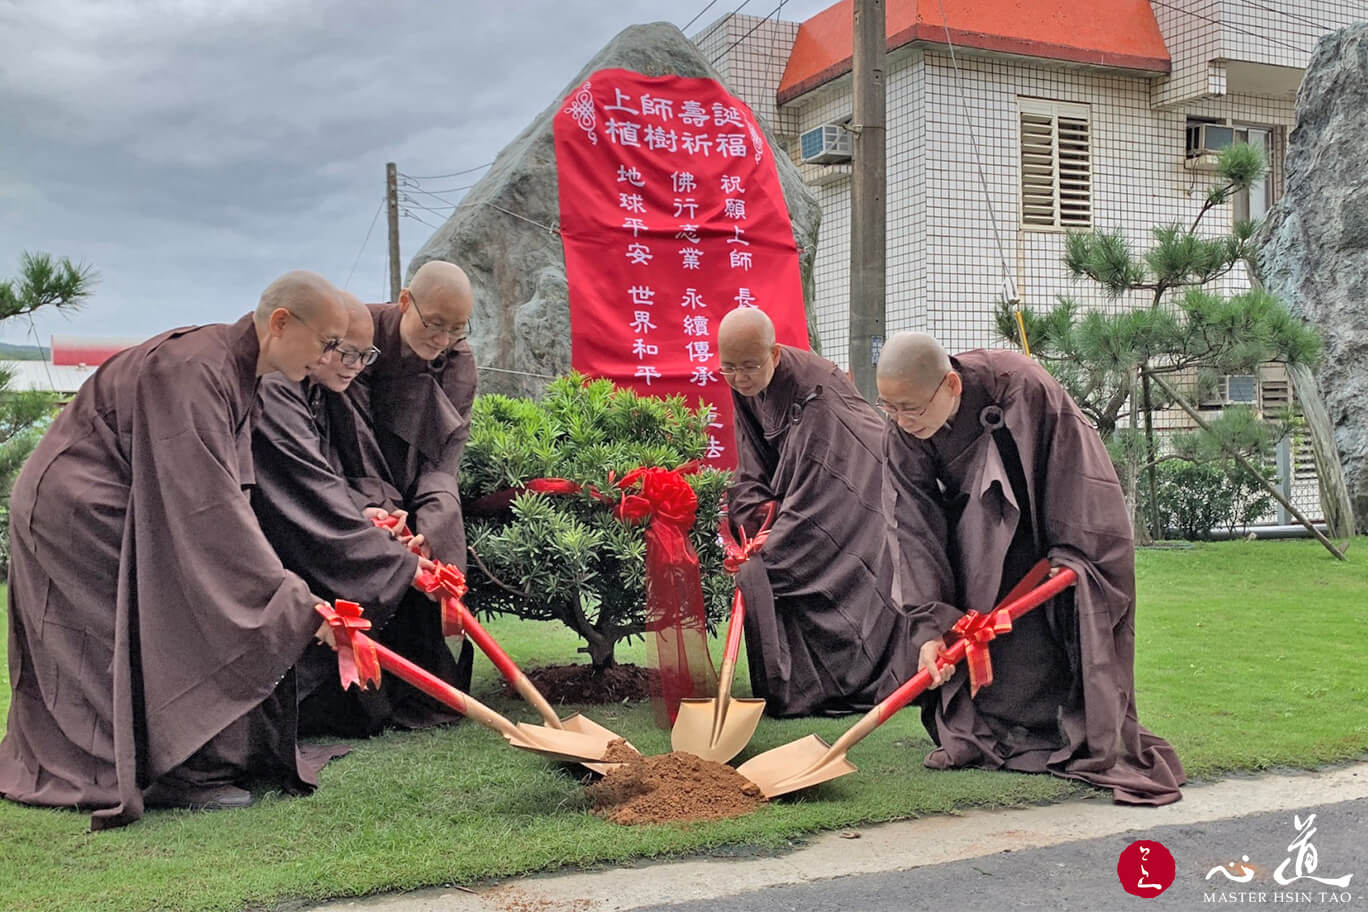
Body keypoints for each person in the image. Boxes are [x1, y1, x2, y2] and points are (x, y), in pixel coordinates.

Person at [0, 271, 351, 828]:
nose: (333, 357)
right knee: (122, 635)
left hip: (116, 497)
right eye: (328, 342)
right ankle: (155, 771)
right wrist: (290, 597)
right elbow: (206, 510)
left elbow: (229, 495)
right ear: (281, 323)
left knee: (163, 619)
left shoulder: (238, 370)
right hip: (79, 508)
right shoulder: (196, 367)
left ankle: (173, 762)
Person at [877, 331, 1185, 805]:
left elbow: (1076, 470)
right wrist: (929, 624)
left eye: (911, 409)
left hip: (1043, 533)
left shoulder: (1022, 387)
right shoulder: (902, 430)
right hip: (970, 540)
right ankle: (990, 729)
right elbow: (911, 525)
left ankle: (1065, 726)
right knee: (975, 639)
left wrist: (1075, 557)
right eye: (888, 408)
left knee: (1047, 636)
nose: (900, 421)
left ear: (952, 387)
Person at [252, 294, 470, 736]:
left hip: (342, 510)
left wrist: (372, 511)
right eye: (342, 351)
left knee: (404, 579)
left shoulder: (324, 386)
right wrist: (386, 552)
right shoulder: (277, 388)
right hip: (279, 532)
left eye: (363, 356)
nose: (352, 366)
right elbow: (308, 485)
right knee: (377, 576)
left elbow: (336, 472)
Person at [718, 307, 914, 716]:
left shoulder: (814, 390)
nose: (740, 378)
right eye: (729, 369)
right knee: (765, 558)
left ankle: (845, 678)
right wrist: (754, 509)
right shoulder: (745, 382)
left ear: (773, 354)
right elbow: (752, 460)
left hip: (858, 483)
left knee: (788, 562)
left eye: (749, 367)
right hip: (807, 485)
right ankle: (804, 683)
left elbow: (821, 476)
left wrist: (773, 542)